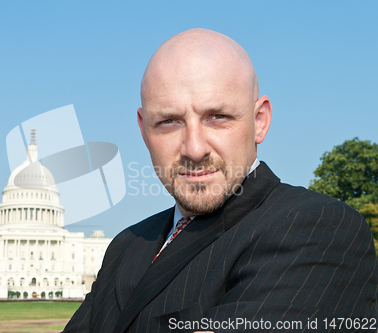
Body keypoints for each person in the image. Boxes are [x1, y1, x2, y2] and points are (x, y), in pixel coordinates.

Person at [63, 29, 378, 333]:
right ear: (144, 130)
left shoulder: (319, 226)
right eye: (168, 122)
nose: (194, 148)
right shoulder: (127, 243)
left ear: (259, 122)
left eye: (217, 117)